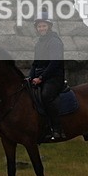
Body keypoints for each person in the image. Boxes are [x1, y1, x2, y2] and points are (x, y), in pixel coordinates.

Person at [28, 12, 66, 141]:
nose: (41, 28)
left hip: (54, 77)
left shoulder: (54, 41)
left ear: (49, 26)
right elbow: (35, 64)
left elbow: (55, 63)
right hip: (41, 77)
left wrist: (41, 78)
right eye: (39, 26)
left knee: (46, 96)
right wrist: (29, 78)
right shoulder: (39, 43)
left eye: (44, 26)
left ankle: (57, 129)